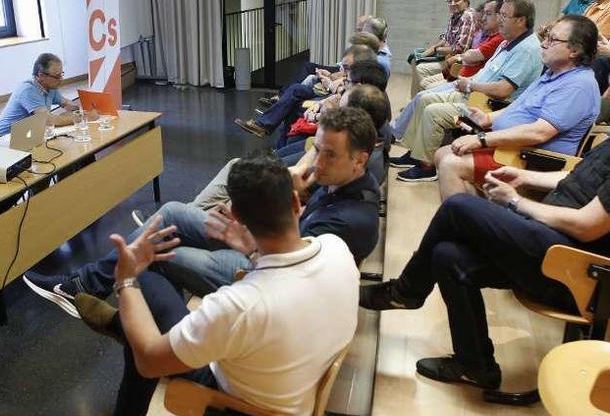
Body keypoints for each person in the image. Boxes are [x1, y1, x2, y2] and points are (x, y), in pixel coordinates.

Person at [360, 42, 610, 390]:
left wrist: (516, 202)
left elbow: (588, 227)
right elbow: (579, 177)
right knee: (448, 256)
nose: (607, 94)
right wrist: (525, 177)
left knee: (459, 207)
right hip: (570, 251)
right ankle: (475, 365)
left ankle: (406, 291)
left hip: (599, 277)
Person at [24, 107, 380, 307]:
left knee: (154, 254)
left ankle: (166, 331)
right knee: (173, 213)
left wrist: (251, 237)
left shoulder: (348, 220)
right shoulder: (339, 182)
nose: (317, 161)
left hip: (263, 274)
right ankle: (83, 283)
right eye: (317, 149)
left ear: (360, 160)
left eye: (329, 154)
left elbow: (289, 274)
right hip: (267, 250)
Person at [89, 153, 359, 415]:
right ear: (296, 203)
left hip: (236, 402)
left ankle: (128, 330)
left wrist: (126, 279)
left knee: (143, 280)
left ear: (236, 216)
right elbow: (286, 286)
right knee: (149, 304)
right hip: (293, 385)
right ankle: (136, 329)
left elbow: (148, 362)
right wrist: (254, 253)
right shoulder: (337, 249)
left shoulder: (239, 306)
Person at [435, 15, 601, 198]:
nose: (544, 43)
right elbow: (521, 107)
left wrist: (482, 139)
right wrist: (488, 118)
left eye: (552, 39)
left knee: (450, 162)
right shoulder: (553, 74)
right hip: (514, 148)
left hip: (532, 159)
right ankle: (476, 217)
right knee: (443, 153)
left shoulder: (577, 85)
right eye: (546, 37)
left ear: (575, 51)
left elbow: (540, 132)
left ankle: (461, 220)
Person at [391, 0, 543, 182]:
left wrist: (469, 84)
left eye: (504, 15)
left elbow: (504, 90)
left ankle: (427, 166)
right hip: (473, 93)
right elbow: (486, 73)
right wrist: (466, 81)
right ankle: (416, 154)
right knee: (423, 99)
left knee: (433, 111)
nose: (499, 19)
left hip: (490, 105)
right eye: (500, 14)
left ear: (521, 20)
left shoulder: (527, 49)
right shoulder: (507, 42)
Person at [235, 44, 376, 138]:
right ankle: (268, 128)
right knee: (297, 90)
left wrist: (329, 84)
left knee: (294, 101)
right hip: (328, 99)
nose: (343, 71)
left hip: (329, 106)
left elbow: (340, 97)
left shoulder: (360, 83)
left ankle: (268, 128)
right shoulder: (354, 76)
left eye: (346, 67)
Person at [409, 0, 478, 97]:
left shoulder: (468, 16)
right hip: (448, 55)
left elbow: (460, 49)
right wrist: (433, 48)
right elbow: (445, 38)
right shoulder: (455, 15)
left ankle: (423, 100)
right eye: (449, 1)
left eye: (456, 0)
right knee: (415, 59)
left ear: (466, 1)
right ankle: (415, 102)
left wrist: (436, 50)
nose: (452, 3)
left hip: (457, 62)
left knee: (420, 67)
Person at [0, 53, 80, 136]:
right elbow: (48, 120)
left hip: (27, 134)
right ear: (41, 76)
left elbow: (65, 103)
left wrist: (81, 110)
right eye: (57, 76)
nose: (61, 79)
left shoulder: (50, 87)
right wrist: (77, 119)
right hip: (4, 138)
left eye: (61, 74)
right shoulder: (28, 90)